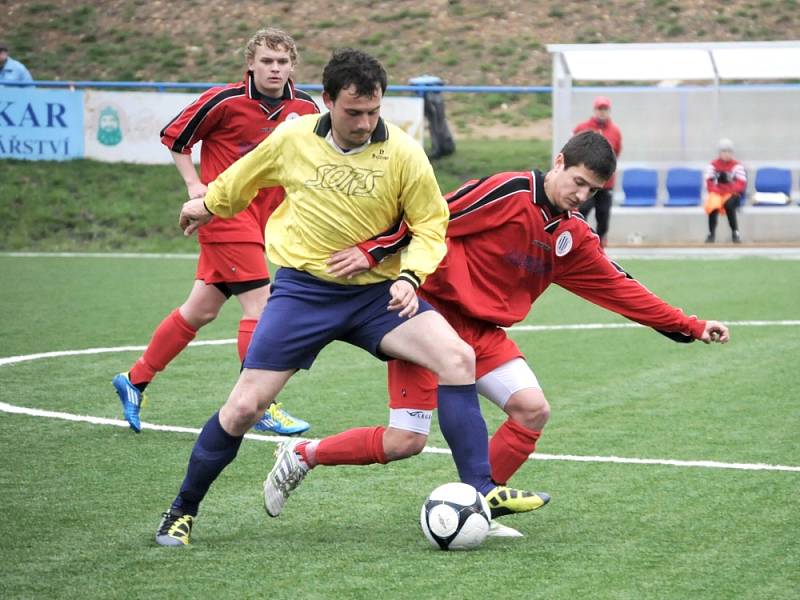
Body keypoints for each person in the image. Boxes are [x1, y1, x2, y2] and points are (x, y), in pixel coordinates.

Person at [156, 48, 545, 547]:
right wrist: (206, 204)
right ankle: (182, 511)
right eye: (353, 112)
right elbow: (242, 178)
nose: (364, 123)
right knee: (243, 409)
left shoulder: (403, 152)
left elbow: (431, 226)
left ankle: (481, 489)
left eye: (373, 112)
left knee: (457, 358)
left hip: (377, 296)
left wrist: (410, 277)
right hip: (304, 293)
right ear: (327, 102)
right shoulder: (294, 137)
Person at [333, 131, 730, 535]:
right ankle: (303, 454)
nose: (582, 195)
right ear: (559, 162)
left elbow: (622, 289)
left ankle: (476, 505)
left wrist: (691, 326)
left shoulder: (571, 238)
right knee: (405, 441)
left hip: (483, 331)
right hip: (427, 318)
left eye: (592, 191)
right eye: (578, 182)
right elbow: (432, 218)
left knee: (533, 409)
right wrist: (372, 251)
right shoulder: (510, 191)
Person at [113, 28, 318, 435]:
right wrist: (194, 186)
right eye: (266, 61)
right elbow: (175, 137)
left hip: (265, 220)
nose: (274, 69)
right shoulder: (224, 100)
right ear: (250, 64)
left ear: (292, 65)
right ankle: (260, 404)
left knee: (201, 310)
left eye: (282, 62)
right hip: (224, 215)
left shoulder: (306, 107)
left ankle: (134, 380)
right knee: (261, 309)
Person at [573, 96, 622, 247]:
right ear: (595, 110)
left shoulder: (615, 131)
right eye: (600, 109)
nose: (602, 112)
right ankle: (580, 242)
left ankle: (599, 246)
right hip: (586, 182)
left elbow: (616, 153)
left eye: (605, 109)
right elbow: (574, 150)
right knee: (583, 211)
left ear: (609, 111)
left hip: (606, 183)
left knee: (603, 215)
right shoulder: (582, 128)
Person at [704, 138, 746, 244]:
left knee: (729, 205)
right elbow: (708, 183)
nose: (726, 154)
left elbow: (741, 184)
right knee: (712, 205)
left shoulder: (737, 165)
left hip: (732, 194)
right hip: (717, 193)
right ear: (719, 153)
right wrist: (719, 189)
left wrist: (727, 187)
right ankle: (711, 233)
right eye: (724, 151)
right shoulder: (713, 165)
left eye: (729, 151)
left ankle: (735, 232)